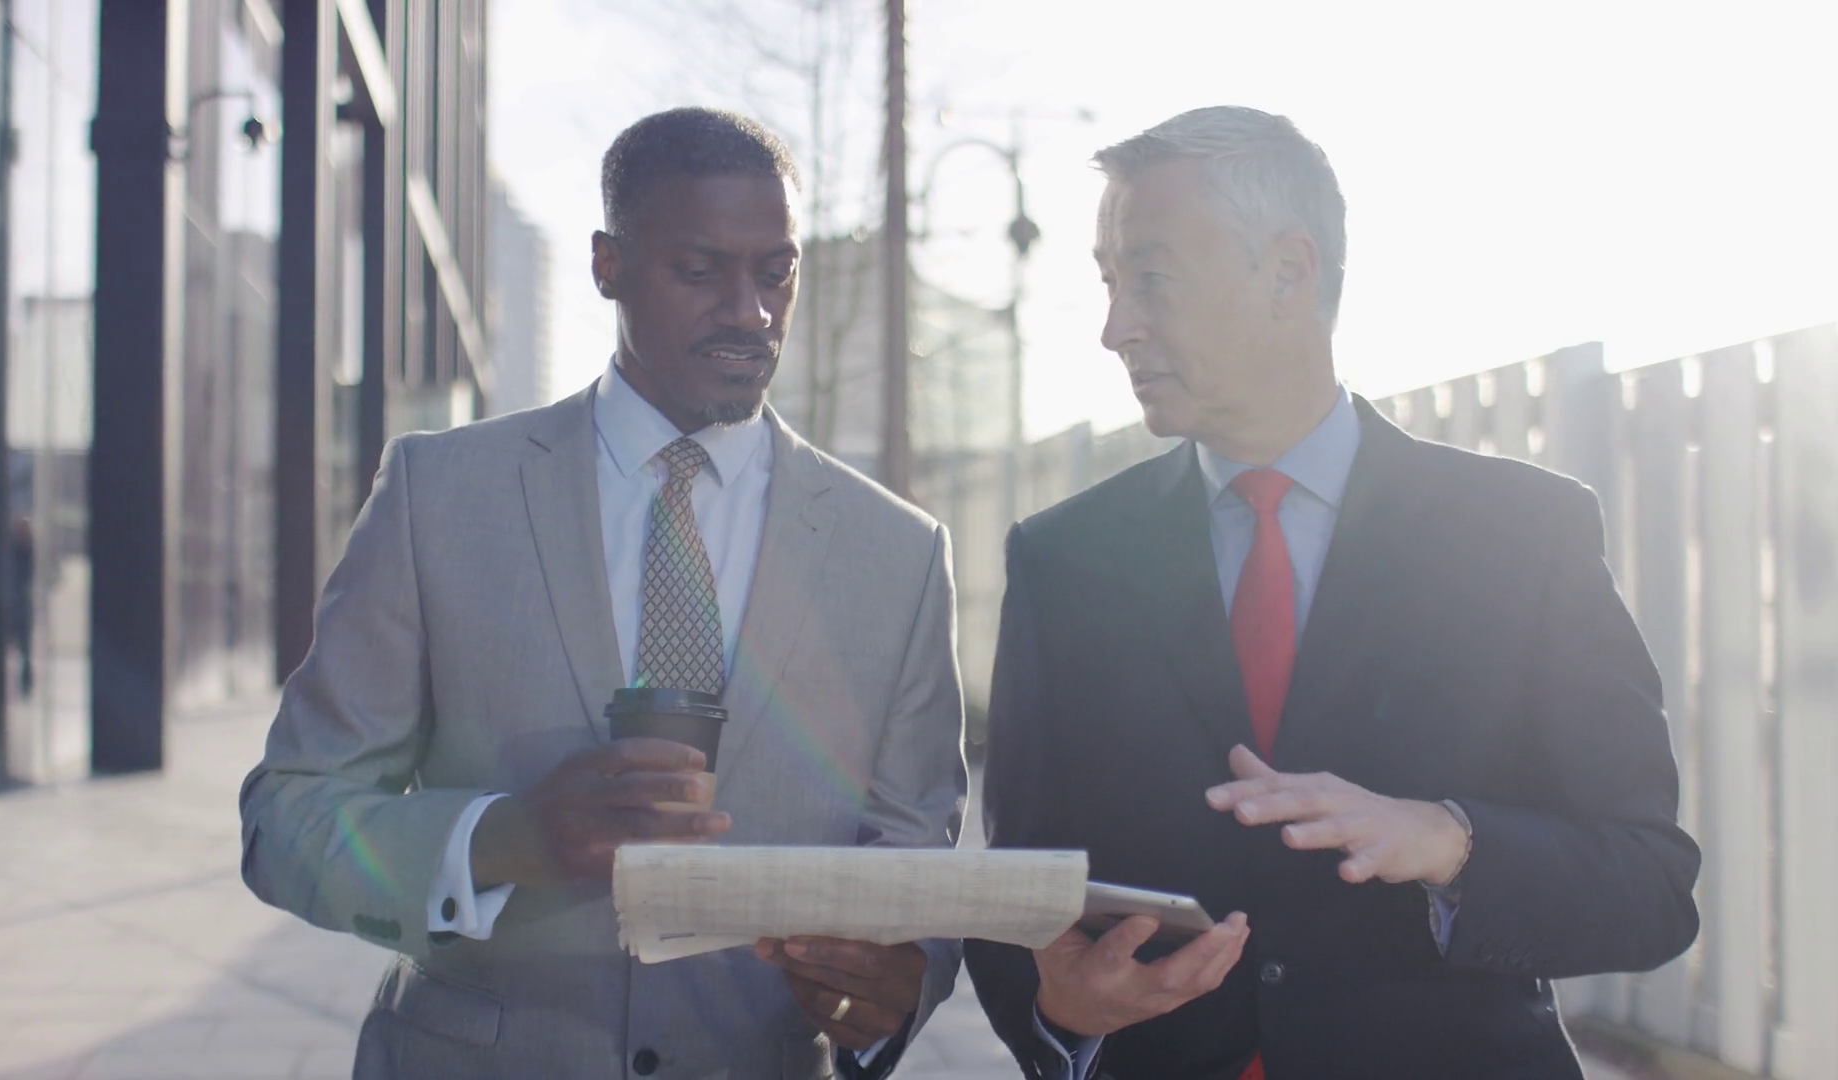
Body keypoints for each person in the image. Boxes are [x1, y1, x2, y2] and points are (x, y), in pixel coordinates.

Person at [965, 106, 1700, 1080]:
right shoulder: (1063, 561)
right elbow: (1017, 894)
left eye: (1151, 279)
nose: (1115, 328)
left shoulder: (1525, 537)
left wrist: (1450, 840)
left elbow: (1650, 887)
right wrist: (1060, 1005)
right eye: (1109, 284)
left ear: (1288, 271)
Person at [240, 107, 965, 1079]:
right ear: (607, 265)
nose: (751, 312)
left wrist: (899, 982)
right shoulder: (436, 496)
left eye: (776, 273)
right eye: (700, 270)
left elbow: (919, 866)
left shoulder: (899, 553)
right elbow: (289, 816)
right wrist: (500, 839)